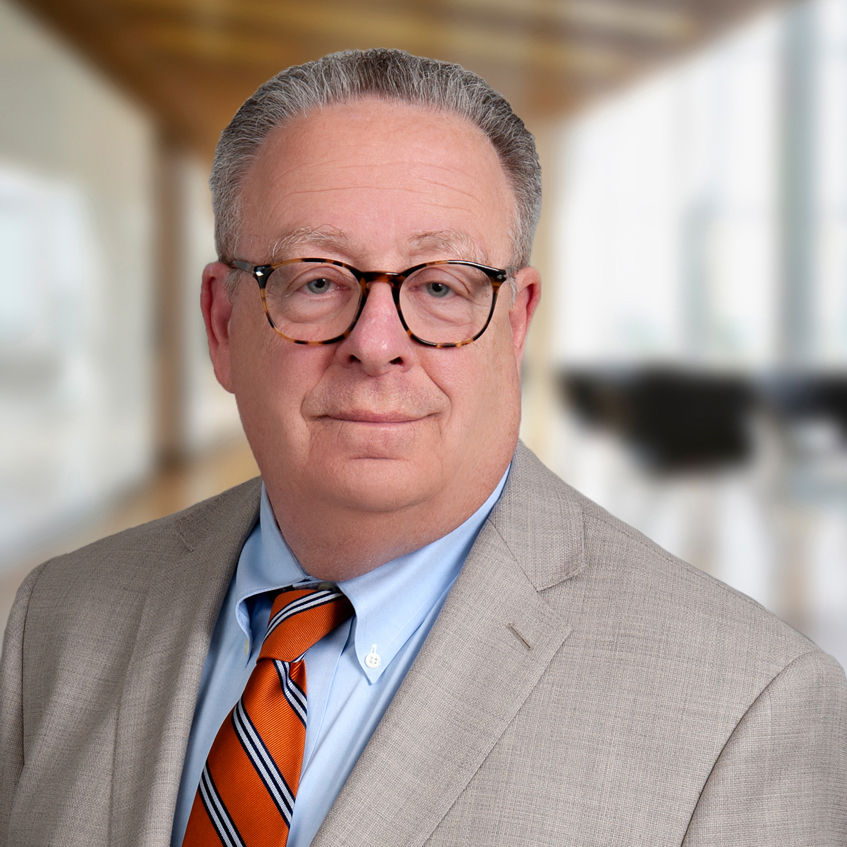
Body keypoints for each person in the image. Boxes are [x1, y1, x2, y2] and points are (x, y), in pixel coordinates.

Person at [1, 48, 845, 847]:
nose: (375, 344)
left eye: (440, 285)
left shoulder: (745, 711)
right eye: (317, 280)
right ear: (222, 324)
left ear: (515, 324)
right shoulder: (58, 621)